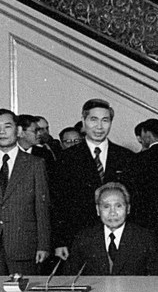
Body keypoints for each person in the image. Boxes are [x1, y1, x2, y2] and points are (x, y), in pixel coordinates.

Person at [52, 99, 136, 262]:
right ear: (83, 121)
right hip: (78, 237)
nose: (99, 127)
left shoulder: (127, 157)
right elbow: (58, 203)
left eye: (105, 120)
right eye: (93, 120)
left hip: (119, 237)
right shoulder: (66, 159)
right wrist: (60, 241)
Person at [0, 109, 50, 275]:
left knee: (23, 289)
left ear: (18, 130)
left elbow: (42, 207)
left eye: (7, 126)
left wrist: (44, 245)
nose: (2, 132)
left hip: (23, 245)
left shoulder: (35, 164)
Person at [65, 182, 158, 276]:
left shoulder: (146, 239)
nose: (112, 213)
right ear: (98, 210)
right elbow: (69, 277)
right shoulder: (84, 239)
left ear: (128, 209)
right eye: (106, 206)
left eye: (118, 206)